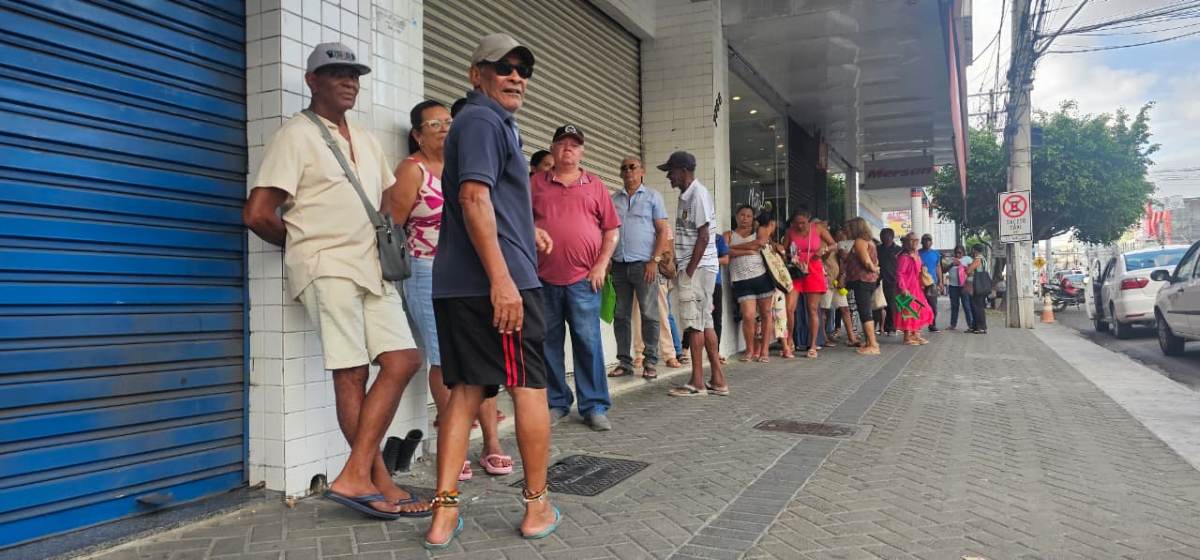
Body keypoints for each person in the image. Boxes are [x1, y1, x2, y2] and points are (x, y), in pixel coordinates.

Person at [242, 43, 428, 519]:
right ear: (312, 81)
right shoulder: (295, 136)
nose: (349, 81)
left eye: (354, 74)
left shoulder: (364, 137)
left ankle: (353, 476)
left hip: (371, 266)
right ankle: (377, 483)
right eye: (336, 73)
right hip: (327, 267)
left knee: (403, 359)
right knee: (351, 372)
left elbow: (387, 198)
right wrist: (305, 244)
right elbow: (259, 213)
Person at [425, 32, 559, 548]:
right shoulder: (483, 119)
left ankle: (443, 517)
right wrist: (503, 280)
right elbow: (474, 198)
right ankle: (536, 506)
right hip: (497, 285)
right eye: (502, 67)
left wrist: (528, 230)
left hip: (460, 282)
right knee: (528, 388)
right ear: (475, 73)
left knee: (465, 393)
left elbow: (489, 203)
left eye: (523, 68)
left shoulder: (486, 122)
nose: (516, 75)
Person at [384, 100, 509, 483]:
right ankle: (455, 447)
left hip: (470, 273)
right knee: (444, 359)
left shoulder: (460, 167)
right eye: (433, 123)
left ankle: (491, 443)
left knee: (480, 357)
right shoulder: (411, 171)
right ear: (417, 134)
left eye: (447, 121)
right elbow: (392, 227)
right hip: (427, 272)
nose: (443, 127)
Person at [532, 124, 621, 431]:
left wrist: (600, 265)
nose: (568, 148)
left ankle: (594, 405)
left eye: (574, 144)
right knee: (548, 344)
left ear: (582, 151)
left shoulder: (595, 185)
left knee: (588, 342)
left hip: (585, 280)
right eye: (562, 143)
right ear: (553, 149)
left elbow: (611, 229)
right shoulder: (535, 184)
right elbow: (517, 222)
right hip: (543, 280)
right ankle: (557, 402)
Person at [661, 151, 728, 397]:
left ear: (684, 170)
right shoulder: (687, 195)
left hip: (698, 269)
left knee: (694, 324)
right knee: (705, 322)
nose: (669, 176)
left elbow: (704, 236)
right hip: (700, 267)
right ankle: (718, 380)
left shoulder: (697, 195)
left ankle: (697, 382)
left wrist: (688, 273)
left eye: (672, 170)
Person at [610, 156, 669, 380]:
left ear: (641, 171)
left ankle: (650, 361)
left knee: (649, 313)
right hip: (619, 265)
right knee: (621, 315)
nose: (628, 171)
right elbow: (607, 230)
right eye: (623, 168)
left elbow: (662, 230)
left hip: (645, 265)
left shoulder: (653, 197)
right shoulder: (614, 199)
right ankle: (624, 362)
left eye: (632, 167)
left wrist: (654, 261)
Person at [725, 205, 776, 362]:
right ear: (736, 216)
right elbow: (725, 251)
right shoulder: (728, 234)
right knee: (748, 316)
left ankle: (765, 351)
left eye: (748, 216)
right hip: (741, 280)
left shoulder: (759, 231)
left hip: (761, 277)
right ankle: (750, 350)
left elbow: (759, 243)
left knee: (766, 314)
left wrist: (734, 248)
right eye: (741, 215)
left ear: (753, 218)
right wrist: (748, 250)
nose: (744, 218)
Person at [783, 209, 835, 359]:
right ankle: (790, 340)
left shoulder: (818, 228)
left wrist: (823, 250)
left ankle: (813, 345)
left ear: (808, 220)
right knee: (789, 308)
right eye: (797, 223)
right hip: (796, 271)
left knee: (812, 309)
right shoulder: (790, 232)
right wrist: (789, 255)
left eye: (803, 223)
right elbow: (784, 251)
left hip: (814, 269)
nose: (800, 226)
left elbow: (833, 244)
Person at [843, 218, 881, 355]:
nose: (846, 231)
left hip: (862, 280)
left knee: (865, 312)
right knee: (865, 311)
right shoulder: (869, 241)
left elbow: (866, 261)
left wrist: (874, 268)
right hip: (868, 280)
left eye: (849, 228)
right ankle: (870, 342)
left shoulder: (859, 242)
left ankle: (872, 344)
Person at [895, 233, 933, 345]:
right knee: (909, 313)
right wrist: (902, 288)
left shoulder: (916, 254)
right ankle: (907, 338)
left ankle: (916, 335)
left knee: (922, 310)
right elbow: (899, 274)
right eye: (912, 240)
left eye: (916, 240)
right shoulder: (903, 257)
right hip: (907, 288)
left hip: (916, 287)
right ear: (906, 242)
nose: (915, 242)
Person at [876, 228, 902, 336]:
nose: (883, 238)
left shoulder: (898, 250)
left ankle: (891, 328)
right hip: (878, 280)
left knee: (891, 305)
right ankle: (878, 327)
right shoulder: (878, 249)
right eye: (882, 236)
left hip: (892, 280)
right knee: (878, 304)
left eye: (886, 236)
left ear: (891, 237)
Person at [918, 234, 943, 332]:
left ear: (932, 242)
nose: (927, 242)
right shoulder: (917, 253)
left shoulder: (936, 254)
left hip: (932, 283)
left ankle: (932, 325)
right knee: (919, 305)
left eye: (929, 240)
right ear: (922, 242)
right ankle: (918, 326)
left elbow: (938, 267)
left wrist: (941, 281)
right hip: (920, 283)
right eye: (925, 240)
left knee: (933, 306)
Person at [946, 244, 974, 330]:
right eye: (956, 253)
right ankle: (953, 325)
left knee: (966, 305)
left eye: (960, 253)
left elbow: (971, 271)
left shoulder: (968, 259)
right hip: (953, 286)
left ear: (963, 252)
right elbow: (945, 269)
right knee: (954, 306)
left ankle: (971, 325)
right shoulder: (951, 259)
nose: (958, 255)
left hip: (964, 285)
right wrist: (952, 264)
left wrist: (960, 264)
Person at [966, 244, 989, 334]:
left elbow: (969, 270)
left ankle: (981, 327)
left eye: (973, 250)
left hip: (978, 285)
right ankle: (976, 327)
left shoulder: (978, 259)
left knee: (977, 307)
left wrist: (968, 267)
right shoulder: (984, 259)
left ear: (974, 250)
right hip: (983, 285)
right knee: (977, 306)